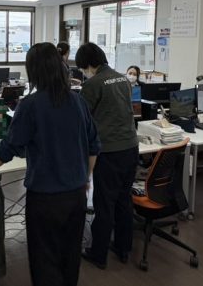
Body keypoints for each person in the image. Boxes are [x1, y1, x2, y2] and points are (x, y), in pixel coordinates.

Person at [0, 42, 99, 286]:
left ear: (34, 71)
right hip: (76, 196)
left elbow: (9, 147)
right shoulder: (78, 101)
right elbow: (94, 146)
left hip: (45, 199)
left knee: (45, 261)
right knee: (70, 256)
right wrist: (85, 178)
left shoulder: (30, 105)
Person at [75, 43, 138, 269]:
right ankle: (123, 247)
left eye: (82, 68)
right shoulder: (123, 79)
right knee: (124, 199)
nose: (83, 72)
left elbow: (81, 119)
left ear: (87, 64)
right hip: (131, 146)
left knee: (104, 203)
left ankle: (98, 253)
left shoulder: (92, 84)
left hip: (109, 150)